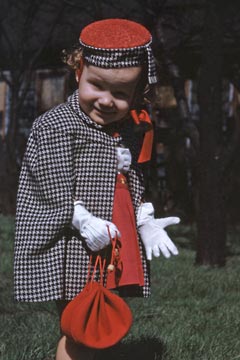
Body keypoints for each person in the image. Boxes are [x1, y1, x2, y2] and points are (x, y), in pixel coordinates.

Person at [14, 18, 180, 360]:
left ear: (136, 93)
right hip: (76, 245)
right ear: (79, 73)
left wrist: (143, 220)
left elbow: (131, 181)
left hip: (116, 245)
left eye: (120, 93)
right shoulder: (57, 125)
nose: (106, 100)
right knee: (80, 325)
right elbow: (49, 183)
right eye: (97, 86)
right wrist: (83, 219)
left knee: (105, 321)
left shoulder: (125, 130)